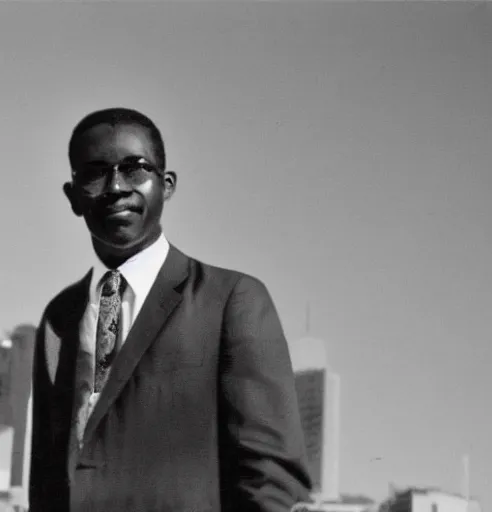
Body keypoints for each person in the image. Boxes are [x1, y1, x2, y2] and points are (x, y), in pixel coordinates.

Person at [29, 107, 312, 512]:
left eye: (135, 169)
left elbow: (270, 481)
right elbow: (45, 479)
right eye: (94, 173)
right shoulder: (59, 317)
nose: (115, 187)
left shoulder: (231, 299)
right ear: (73, 196)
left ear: (166, 184)